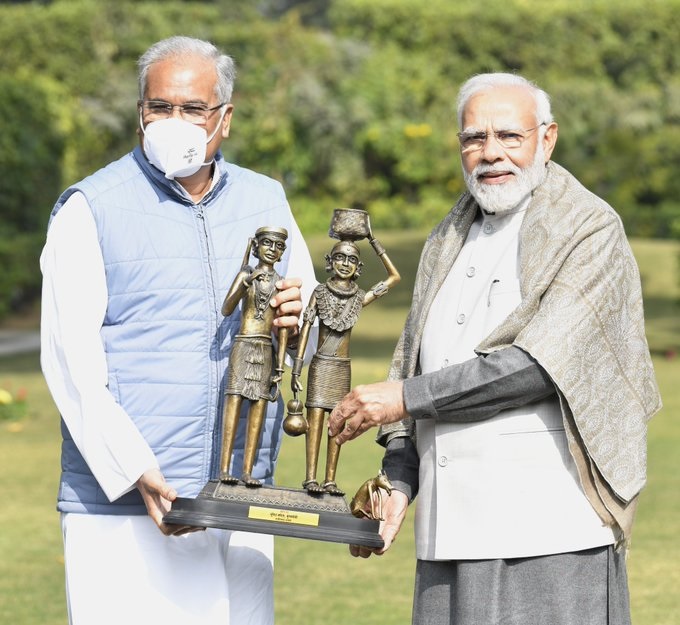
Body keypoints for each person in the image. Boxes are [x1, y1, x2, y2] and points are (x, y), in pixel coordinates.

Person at [327, 72, 662, 625]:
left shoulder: (591, 229)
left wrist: (404, 398)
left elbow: (538, 365)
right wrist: (399, 482)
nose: (490, 153)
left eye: (509, 136)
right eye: (474, 138)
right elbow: (418, 359)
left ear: (547, 139)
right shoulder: (445, 237)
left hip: (550, 534)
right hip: (447, 535)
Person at [40, 36, 317, 625]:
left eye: (193, 108)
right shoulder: (91, 206)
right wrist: (135, 470)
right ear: (140, 112)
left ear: (225, 118)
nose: (174, 121)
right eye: (160, 106)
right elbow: (70, 364)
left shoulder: (266, 201)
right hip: (125, 506)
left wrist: (297, 325)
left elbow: (306, 337)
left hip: (238, 497)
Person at [290, 233, 399, 496]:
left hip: (341, 368)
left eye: (351, 259)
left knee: (337, 421)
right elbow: (305, 329)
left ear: (358, 267)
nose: (345, 263)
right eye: (340, 257)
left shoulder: (358, 297)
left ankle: (330, 479)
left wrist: (373, 240)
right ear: (330, 261)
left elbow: (394, 277)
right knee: (315, 420)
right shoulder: (320, 293)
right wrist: (296, 367)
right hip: (320, 365)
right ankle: (310, 477)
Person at [219, 226, 290, 487]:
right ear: (256, 246)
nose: (272, 249)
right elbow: (227, 308)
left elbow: (283, 328)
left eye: (278, 246)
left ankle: (247, 471)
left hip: (265, 348)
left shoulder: (280, 282)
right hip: (243, 342)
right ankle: (224, 468)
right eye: (267, 243)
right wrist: (247, 281)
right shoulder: (246, 274)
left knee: (258, 407)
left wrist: (280, 366)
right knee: (234, 401)